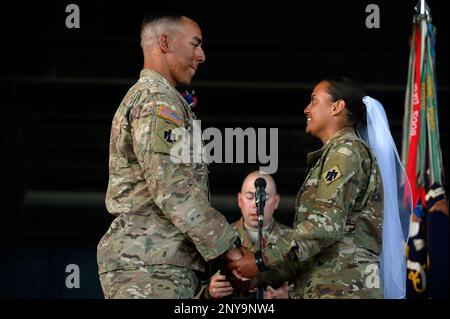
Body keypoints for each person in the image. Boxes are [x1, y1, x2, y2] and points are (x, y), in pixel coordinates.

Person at [97, 13, 243, 299]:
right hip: (150, 267)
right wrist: (230, 250)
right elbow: (173, 190)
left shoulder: (161, 98)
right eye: (195, 44)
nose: (201, 56)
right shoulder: (156, 100)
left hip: (158, 263)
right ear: (165, 42)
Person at [230, 77, 391, 298]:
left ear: (337, 107)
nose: (307, 109)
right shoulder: (336, 154)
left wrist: (260, 259)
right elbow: (313, 250)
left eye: (314, 101)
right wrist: (260, 278)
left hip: (345, 290)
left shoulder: (345, 153)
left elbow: (324, 227)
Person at [205, 171, 291, 299]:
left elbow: (314, 283)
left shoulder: (295, 240)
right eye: (250, 197)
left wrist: (290, 297)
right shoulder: (218, 237)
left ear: (276, 201)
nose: (256, 205)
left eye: (264, 199)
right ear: (240, 200)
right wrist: (208, 292)